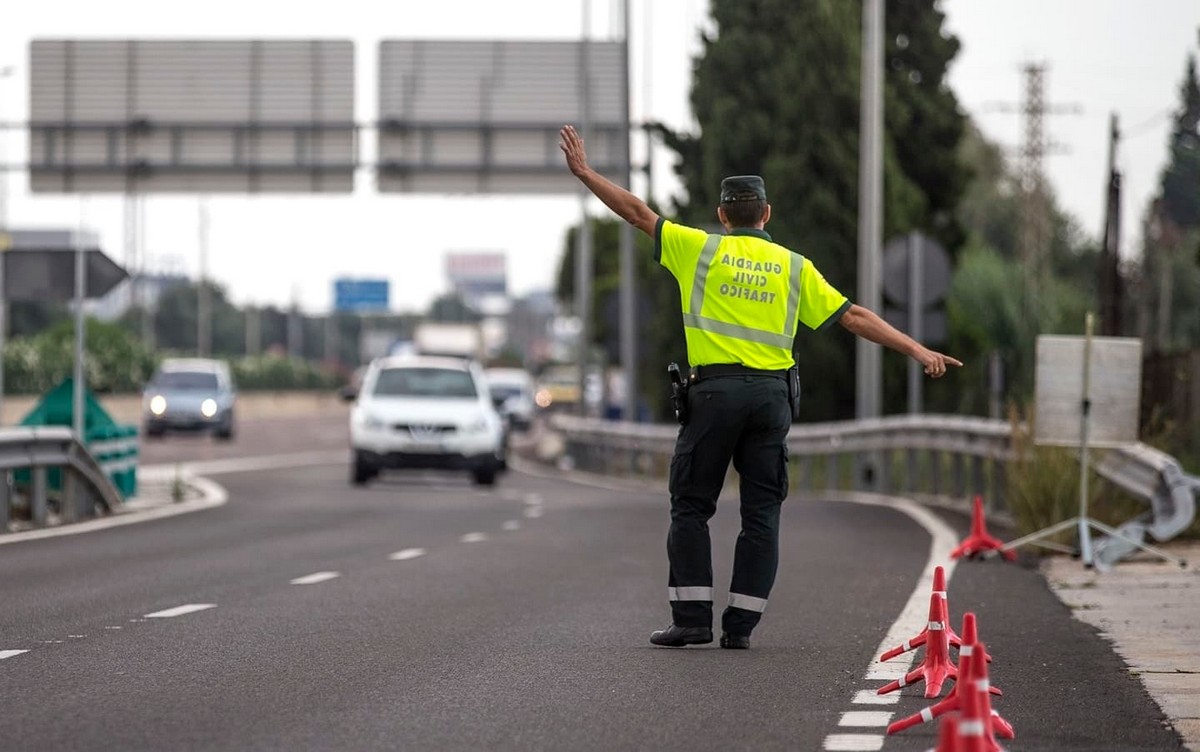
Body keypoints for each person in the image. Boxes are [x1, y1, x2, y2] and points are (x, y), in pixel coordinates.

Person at [559, 125, 962, 649]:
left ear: (723, 215)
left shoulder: (696, 249)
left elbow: (637, 212)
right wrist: (917, 349)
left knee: (691, 506)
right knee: (762, 513)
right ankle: (740, 627)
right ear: (767, 215)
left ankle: (693, 619)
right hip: (772, 400)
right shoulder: (794, 268)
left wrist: (586, 173)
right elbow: (855, 316)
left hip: (714, 396)